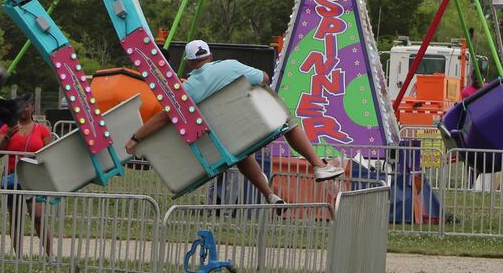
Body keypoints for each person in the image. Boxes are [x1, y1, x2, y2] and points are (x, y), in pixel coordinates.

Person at [124, 40, 344, 203]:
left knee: (241, 153)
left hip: (231, 139)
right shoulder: (230, 66)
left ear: (190, 63)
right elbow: (265, 78)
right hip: (260, 123)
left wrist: (136, 137)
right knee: (287, 120)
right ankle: (317, 164)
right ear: (210, 56)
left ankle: (268, 194)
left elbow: (165, 117)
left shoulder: (187, 89)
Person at [0, 95, 55, 256]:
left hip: (34, 178)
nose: (24, 109)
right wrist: (8, 134)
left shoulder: (42, 129)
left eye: (27, 105)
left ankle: (51, 256)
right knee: (15, 219)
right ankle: (18, 257)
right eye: (20, 106)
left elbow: (50, 152)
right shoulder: (7, 127)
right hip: (11, 177)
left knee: (38, 217)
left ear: (33, 107)